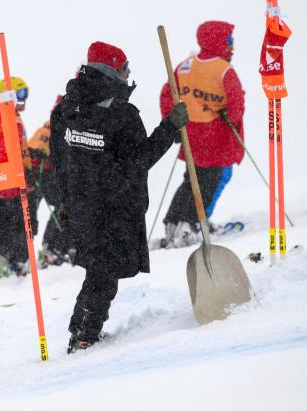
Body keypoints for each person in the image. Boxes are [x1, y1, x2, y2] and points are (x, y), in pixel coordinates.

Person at [49, 41, 188, 353]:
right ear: (112, 70)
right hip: (114, 208)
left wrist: (65, 197)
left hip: (82, 206)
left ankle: (81, 331)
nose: (129, 73)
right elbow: (139, 159)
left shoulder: (66, 109)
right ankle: (84, 336)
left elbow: (56, 157)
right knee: (104, 273)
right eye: (126, 67)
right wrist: (169, 129)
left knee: (99, 269)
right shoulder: (122, 114)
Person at [158, 21, 245, 248]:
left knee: (191, 179)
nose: (232, 46)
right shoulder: (223, 69)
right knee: (211, 180)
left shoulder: (185, 65)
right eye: (229, 40)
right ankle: (193, 223)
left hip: (191, 135)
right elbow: (236, 100)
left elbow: (167, 94)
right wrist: (232, 119)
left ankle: (174, 222)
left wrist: (171, 122)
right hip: (216, 135)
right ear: (220, 41)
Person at [0, 77, 37, 278]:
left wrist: (29, 169)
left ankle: (13, 260)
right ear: (7, 95)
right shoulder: (0, 117)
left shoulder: (13, 116)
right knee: (5, 224)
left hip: (18, 181)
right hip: (5, 183)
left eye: (25, 94)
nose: (24, 99)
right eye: (20, 94)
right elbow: (1, 151)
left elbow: (20, 150)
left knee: (19, 224)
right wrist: (18, 170)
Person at [27, 96, 71, 268]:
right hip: (43, 174)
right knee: (63, 206)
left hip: (48, 173)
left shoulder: (61, 125)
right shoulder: (52, 126)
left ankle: (54, 247)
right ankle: (51, 248)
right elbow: (33, 148)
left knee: (64, 207)